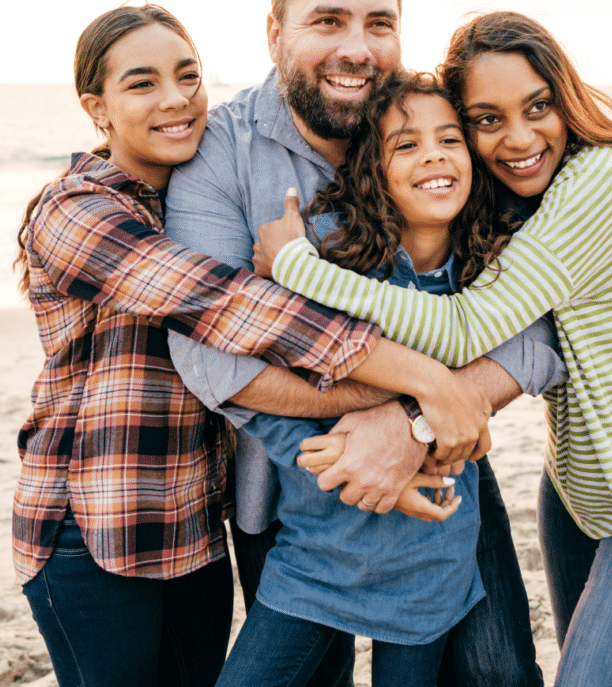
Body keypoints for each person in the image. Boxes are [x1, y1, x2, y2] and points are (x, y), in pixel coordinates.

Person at [257, 11, 612, 687]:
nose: (519, 137)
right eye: (488, 120)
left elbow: (466, 329)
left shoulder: (607, 180)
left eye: (538, 107)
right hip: (581, 489)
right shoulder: (525, 196)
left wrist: (296, 264)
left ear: (566, 97)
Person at [12, 3, 493, 687]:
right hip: (93, 528)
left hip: (195, 524)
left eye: (188, 75)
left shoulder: (184, 192)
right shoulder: (76, 211)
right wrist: (429, 381)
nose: (177, 99)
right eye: (142, 84)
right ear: (98, 107)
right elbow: (228, 306)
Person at [165, 0, 561, 687]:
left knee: (500, 674)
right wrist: (422, 384)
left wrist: (414, 423)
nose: (358, 46)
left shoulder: (433, 123)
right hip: (291, 489)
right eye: (328, 20)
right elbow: (210, 351)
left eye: (379, 23)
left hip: (442, 472)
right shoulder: (224, 150)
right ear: (275, 31)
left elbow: (536, 325)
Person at [217, 72, 535, 687]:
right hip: (317, 556)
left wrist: (424, 448)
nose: (435, 155)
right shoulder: (334, 261)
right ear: (374, 170)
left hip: (429, 553)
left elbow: (473, 417)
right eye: (406, 145)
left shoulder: (489, 284)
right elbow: (265, 402)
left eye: (450, 139)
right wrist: (331, 463)